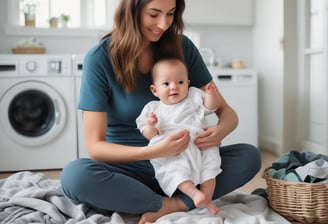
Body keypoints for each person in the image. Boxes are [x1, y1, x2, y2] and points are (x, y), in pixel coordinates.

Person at [60, 0, 262, 223]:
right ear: (132, 11)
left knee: (249, 155)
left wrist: (219, 132)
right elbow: (95, 148)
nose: (164, 24)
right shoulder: (99, 58)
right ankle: (166, 202)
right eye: (154, 14)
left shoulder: (182, 47)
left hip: (186, 162)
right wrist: (154, 152)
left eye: (171, 14)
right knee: (74, 176)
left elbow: (228, 113)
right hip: (126, 169)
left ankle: (173, 202)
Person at [136, 58, 222, 215]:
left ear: (188, 84)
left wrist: (211, 94)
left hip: (200, 144)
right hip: (173, 151)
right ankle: (193, 194)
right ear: (154, 90)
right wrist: (151, 125)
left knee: (210, 167)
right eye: (166, 84)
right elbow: (150, 136)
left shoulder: (193, 97)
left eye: (180, 82)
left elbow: (211, 107)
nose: (174, 87)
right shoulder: (153, 108)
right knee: (174, 170)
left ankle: (207, 199)